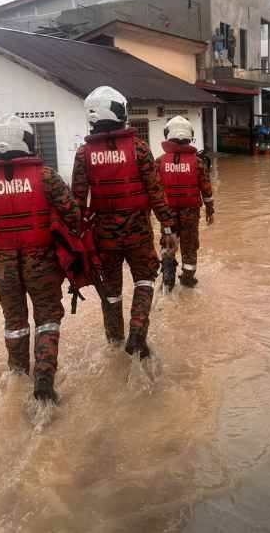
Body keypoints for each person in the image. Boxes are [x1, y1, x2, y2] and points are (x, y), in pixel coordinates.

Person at [0, 114, 82, 403]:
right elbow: (73, 216)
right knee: (48, 319)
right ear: (27, 141)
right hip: (43, 264)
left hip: (2, 269)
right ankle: (44, 380)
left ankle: (17, 379)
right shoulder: (47, 177)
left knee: (14, 322)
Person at [71, 86, 179, 359]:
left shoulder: (83, 154)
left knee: (111, 291)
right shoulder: (140, 148)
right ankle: (137, 333)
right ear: (119, 114)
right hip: (138, 232)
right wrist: (168, 229)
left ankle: (115, 340)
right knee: (144, 280)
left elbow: (77, 202)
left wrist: (76, 242)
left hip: (103, 237)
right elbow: (157, 194)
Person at [156, 116, 215, 289]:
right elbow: (206, 189)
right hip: (190, 214)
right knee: (189, 245)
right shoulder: (197, 162)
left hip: (167, 215)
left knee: (168, 243)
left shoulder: (159, 162)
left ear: (168, 134)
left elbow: (153, 190)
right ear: (189, 136)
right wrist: (210, 210)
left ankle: (168, 280)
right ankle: (188, 279)